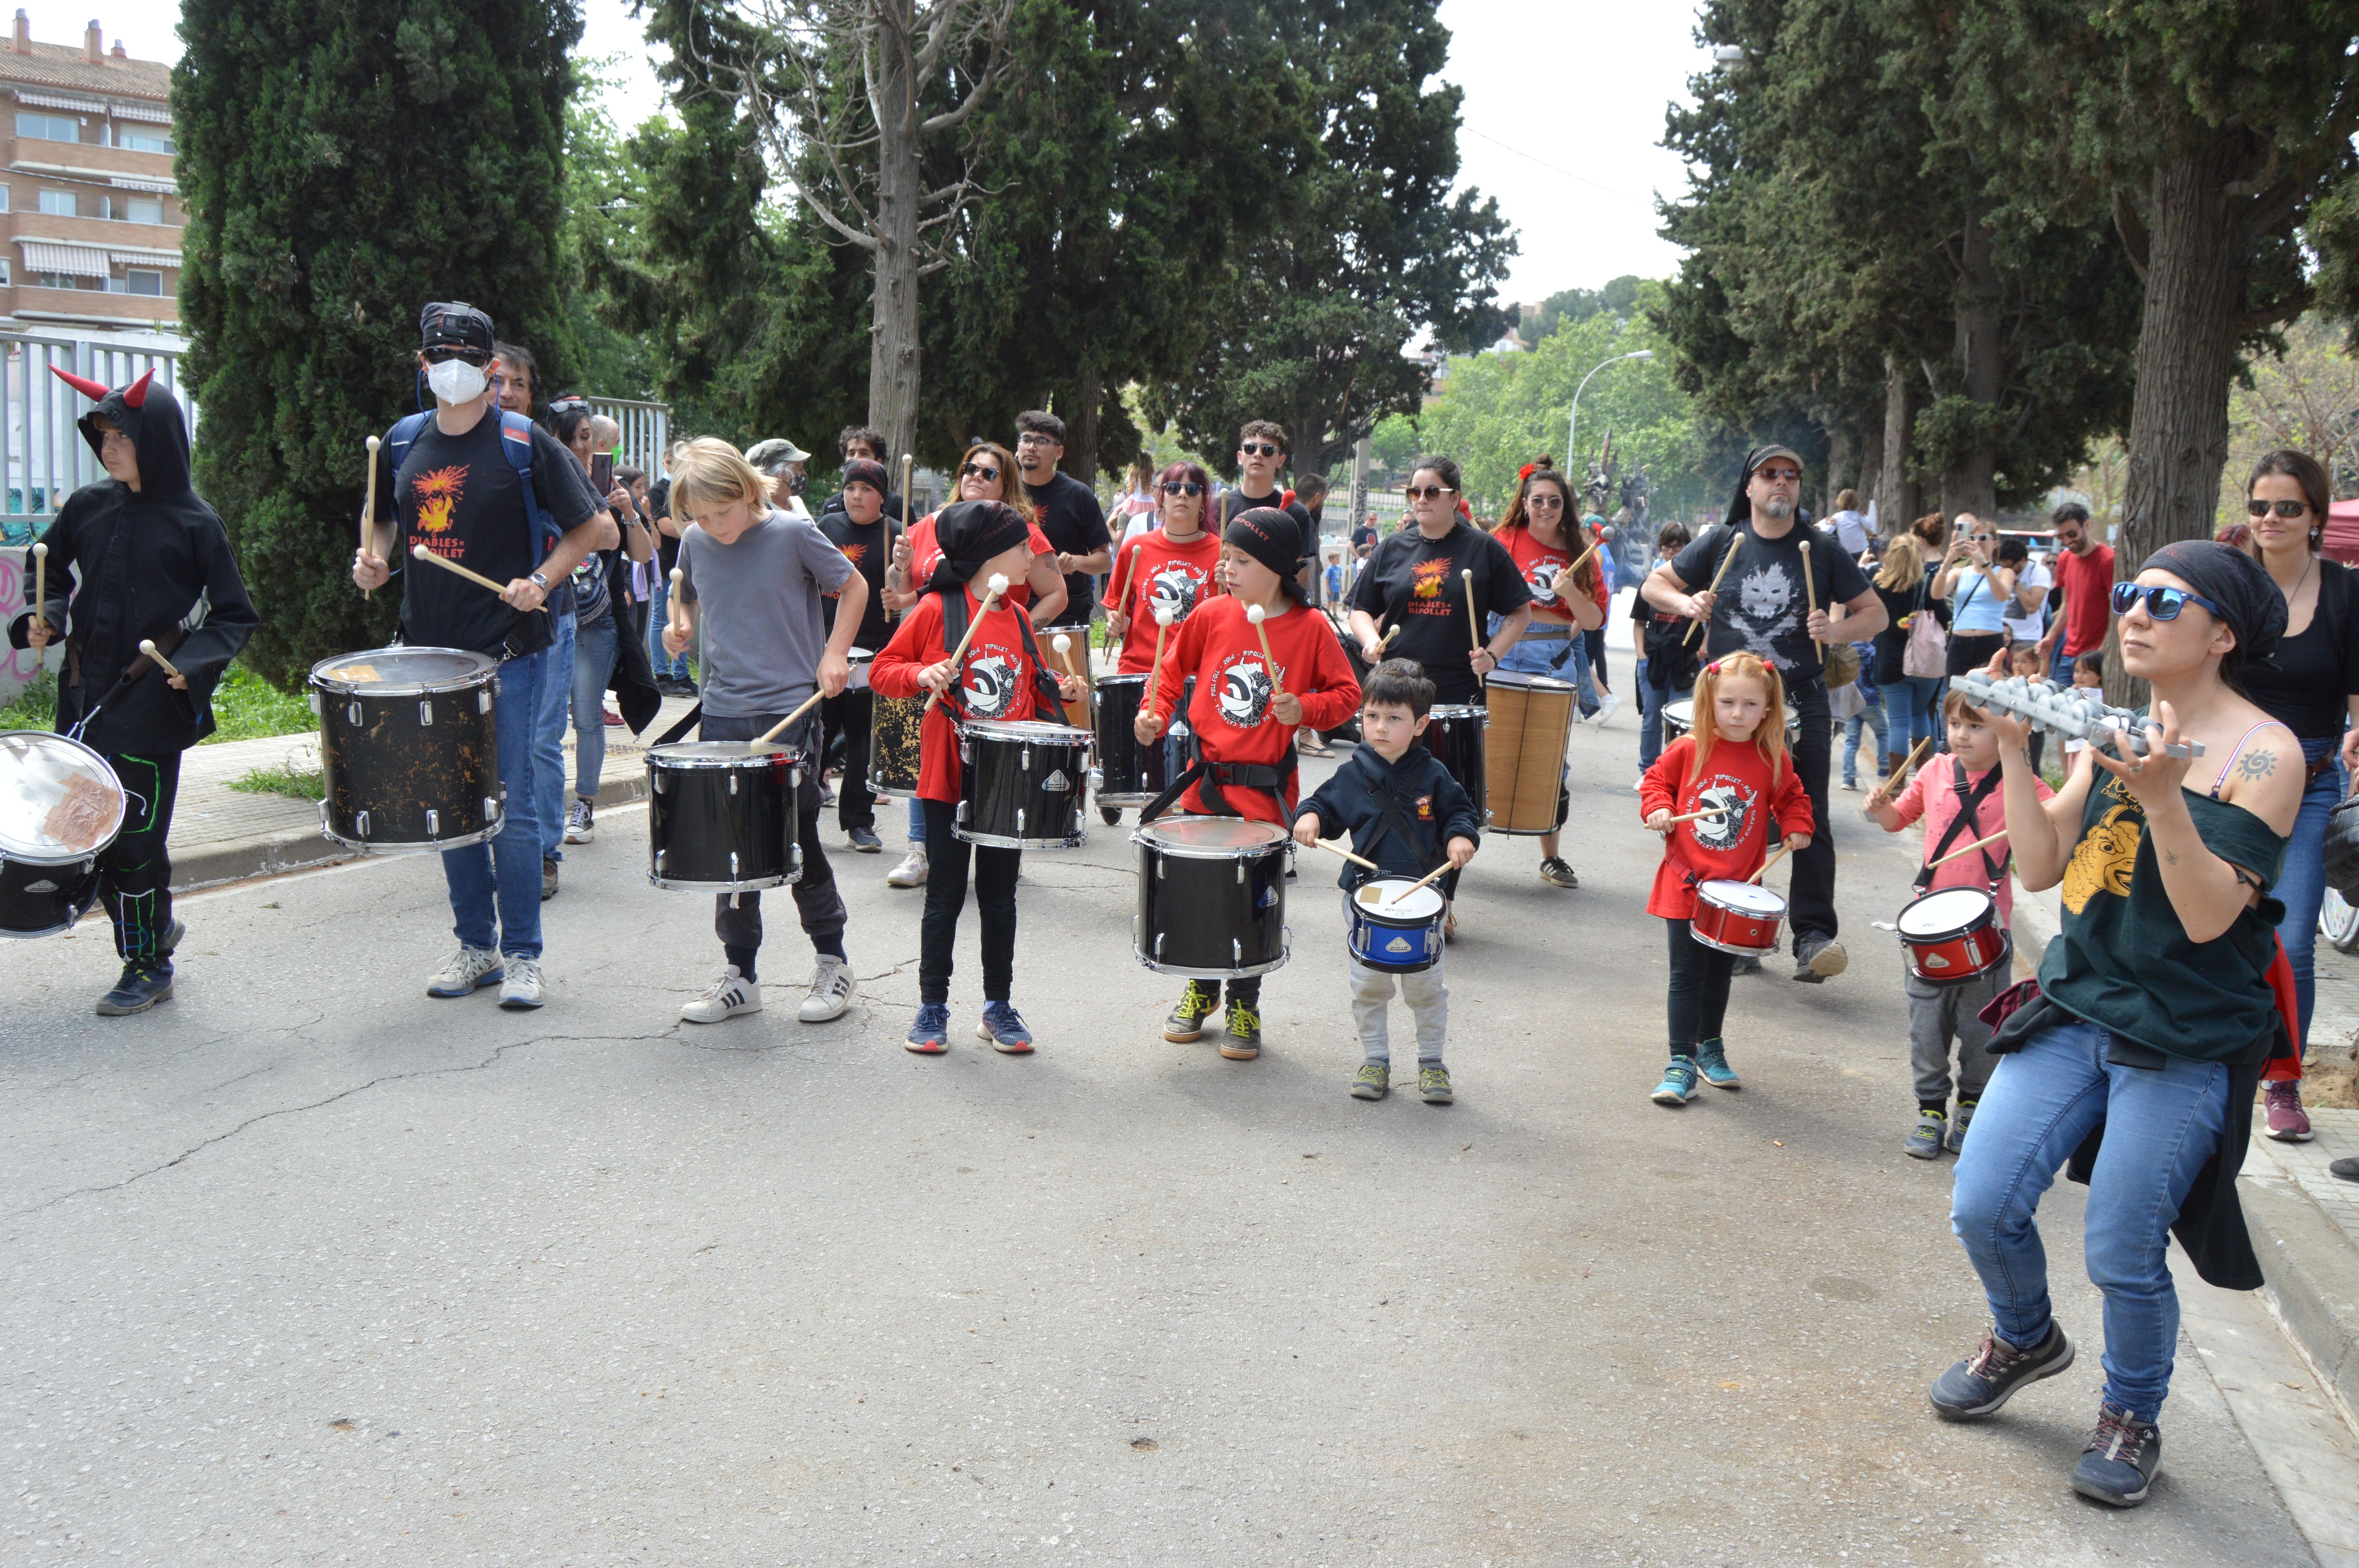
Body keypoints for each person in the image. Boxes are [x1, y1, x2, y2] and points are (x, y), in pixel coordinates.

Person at [1932, 540, 2302, 1510]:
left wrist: (2163, 799)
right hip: (2082, 998)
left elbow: (2209, 916)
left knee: (2121, 1244)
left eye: (2160, 600)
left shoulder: (2268, 754)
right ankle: (2023, 1334)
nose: (2131, 611)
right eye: (2129, 593)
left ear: (2220, 633)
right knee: (1981, 1198)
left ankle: (2130, 1416)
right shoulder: (2120, 727)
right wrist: (2014, 752)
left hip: (2185, 1030)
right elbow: (2046, 864)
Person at [353, 301, 611, 1008]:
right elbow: (383, 521)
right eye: (441, 357)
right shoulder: (403, 443)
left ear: (492, 368)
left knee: (514, 807)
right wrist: (374, 563)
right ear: (423, 365)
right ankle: (477, 947)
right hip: (430, 658)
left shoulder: (524, 441)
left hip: (510, 654)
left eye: (469, 357)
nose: (455, 369)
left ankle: (525, 953)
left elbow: (591, 527)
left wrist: (541, 580)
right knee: (451, 806)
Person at [9, 365, 258, 1015]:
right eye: (102, 435)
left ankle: (149, 964)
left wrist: (194, 665)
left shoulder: (197, 523)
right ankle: (153, 926)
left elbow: (234, 613)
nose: (108, 447)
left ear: (158, 439)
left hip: (149, 706)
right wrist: (44, 617)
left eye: (121, 435)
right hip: (82, 697)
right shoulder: (89, 506)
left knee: (137, 843)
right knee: (89, 839)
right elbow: (48, 566)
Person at [1643, 444, 1885, 982]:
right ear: (1750, 487)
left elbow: (1877, 614)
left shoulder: (1819, 549)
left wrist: (1836, 630)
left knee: (1807, 817)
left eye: (1792, 476)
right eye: (1770, 475)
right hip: (1731, 706)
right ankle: (1733, 923)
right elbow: (1653, 585)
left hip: (1802, 698)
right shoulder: (1721, 542)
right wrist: (1688, 604)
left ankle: (1814, 937)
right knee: (1736, 813)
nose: (1782, 483)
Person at [1136, 507, 1361, 1060]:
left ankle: (1244, 999)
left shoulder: (1309, 630)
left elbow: (1348, 697)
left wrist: (1303, 708)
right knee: (1196, 892)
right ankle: (1200, 985)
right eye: (1227, 559)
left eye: (1242, 560)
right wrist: (1154, 713)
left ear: (1279, 569)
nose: (1227, 569)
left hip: (1264, 793)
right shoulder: (1212, 614)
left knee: (1249, 902)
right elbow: (1169, 673)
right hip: (1204, 785)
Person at [658, 439, 864, 1025]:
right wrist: (681, 630)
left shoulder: (792, 535)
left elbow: (854, 588)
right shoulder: (697, 542)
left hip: (789, 710)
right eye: (700, 517)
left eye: (722, 513)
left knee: (793, 834)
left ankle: (833, 960)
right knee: (732, 846)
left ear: (748, 491)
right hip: (722, 710)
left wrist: (835, 654)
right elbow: (693, 602)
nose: (713, 526)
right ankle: (741, 974)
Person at [870, 499, 1083, 1054]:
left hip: (1002, 781)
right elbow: (883, 672)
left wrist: (1059, 690)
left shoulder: (1014, 615)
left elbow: (1030, 683)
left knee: (1000, 895)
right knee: (943, 895)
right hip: (948, 776)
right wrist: (924, 672)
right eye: (1021, 548)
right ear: (990, 553)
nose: (1030, 557)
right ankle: (932, 1006)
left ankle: (997, 1006)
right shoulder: (941, 609)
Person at [1347, 456, 1533, 936]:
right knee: (1383, 796)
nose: (1422, 501)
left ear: (1454, 496)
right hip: (1393, 693)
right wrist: (1368, 639)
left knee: (1442, 805)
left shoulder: (1482, 549)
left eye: (1432, 492)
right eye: (1415, 492)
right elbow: (1360, 609)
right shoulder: (1392, 548)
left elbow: (1519, 613)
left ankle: (1439, 898)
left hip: (1453, 695)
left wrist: (1491, 656)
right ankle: (1382, 892)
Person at [1864, 689, 2052, 1158]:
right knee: (1925, 1025)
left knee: (1979, 1027)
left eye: (1976, 726)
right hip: (1927, 924)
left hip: (1988, 927)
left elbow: (2056, 817)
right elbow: (1897, 818)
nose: (1961, 736)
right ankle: (1930, 1111)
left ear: (2004, 732)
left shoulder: (2019, 780)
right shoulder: (1934, 769)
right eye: (1954, 724)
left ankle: (1970, 1107)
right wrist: (1878, 809)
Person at [2235, 449, 2359, 1143]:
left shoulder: (2344, 591)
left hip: (2313, 783)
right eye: (2260, 506)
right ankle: (2213, 1059)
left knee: (2293, 943)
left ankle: (2283, 1080)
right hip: (2232, 779)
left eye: (2288, 507)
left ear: (2315, 515)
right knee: (2215, 923)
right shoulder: (2230, 584)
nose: (2272, 519)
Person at [881, 441, 1067, 889]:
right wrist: (897, 568)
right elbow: (906, 595)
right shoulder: (931, 528)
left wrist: (1044, 667)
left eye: (988, 473)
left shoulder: (1021, 540)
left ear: (1006, 483)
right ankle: (919, 848)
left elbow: (1053, 594)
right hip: (947, 700)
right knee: (939, 762)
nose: (975, 478)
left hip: (1003, 725)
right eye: (969, 469)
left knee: (998, 894)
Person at [1293, 658, 1479, 1103]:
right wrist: (1310, 818)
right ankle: (1375, 1059)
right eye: (1371, 716)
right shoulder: (1353, 773)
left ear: (1420, 725)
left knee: (1425, 987)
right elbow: (1322, 804)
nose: (1378, 727)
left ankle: (1432, 1064)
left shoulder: (1434, 774)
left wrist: (1459, 838)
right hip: (1367, 894)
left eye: (1393, 719)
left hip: (1423, 897)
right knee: (1369, 983)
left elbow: (1461, 813)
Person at [1639, 652, 1814, 1104]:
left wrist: (1797, 825)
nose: (1738, 714)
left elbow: (1793, 797)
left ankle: (1709, 1047)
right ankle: (1680, 1060)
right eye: (1728, 703)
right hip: (1684, 883)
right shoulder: (1688, 750)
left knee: (1719, 974)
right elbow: (1656, 783)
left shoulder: (1770, 758)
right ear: (1709, 702)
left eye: (1750, 705)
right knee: (1685, 974)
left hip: (1736, 891)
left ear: (1768, 710)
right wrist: (1658, 808)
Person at [1490, 466, 1607, 887]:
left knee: (1549, 759)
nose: (1544, 508)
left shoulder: (1581, 553)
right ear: (1524, 503)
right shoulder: (1501, 541)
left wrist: (1570, 592)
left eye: (1554, 501)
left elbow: (1593, 621)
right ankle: (1453, 845)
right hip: (1498, 646)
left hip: (1549, 657)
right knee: (1480, 750)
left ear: (1565, 507)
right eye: (1537, 500)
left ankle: (1551, 857)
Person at [551, 406, 654, 847]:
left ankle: (585, 804)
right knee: (548, 721)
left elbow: (645, 555)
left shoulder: (611, 490)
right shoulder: (543, 480)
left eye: (586, 437)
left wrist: (628, 511)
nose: (579, 446)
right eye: (570, 438)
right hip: (549, 619)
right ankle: (543, 804)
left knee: (587, 715)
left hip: (597, 624)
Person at [1104, 461, 1226, 824]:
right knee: (1151, 770)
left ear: (1205, 500)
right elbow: (1116, 603)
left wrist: (1231, 584)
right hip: (1142, 667)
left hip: (1199, 675)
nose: (1182, 496)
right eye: (1173, 488)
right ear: (1160, 497)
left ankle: (1178, 837)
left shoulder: (1221, 552)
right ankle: (1149, 827)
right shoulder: (1136, 548)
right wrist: (1115, 620)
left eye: (1192, 489)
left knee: (1187, 769)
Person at [815, 456, 900, 854]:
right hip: (828, 647)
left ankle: (858, 822)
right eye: (851, 488)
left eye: (866, 489)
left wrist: (897, 594)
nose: (856, 496)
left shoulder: (895, 535)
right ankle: (802, 813)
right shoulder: (828, 527)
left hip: (874, 650)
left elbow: (909, 595)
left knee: (865, 743)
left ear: (881, 496)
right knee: (818, 735)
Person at [1012, 411, 1112, 627]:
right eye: (1026, 440)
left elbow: (1105, 560)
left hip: (1067, 611)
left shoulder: (1079, 495)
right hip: (1010, 607)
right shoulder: (1005, 491)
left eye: (1041, 441)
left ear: (1059, 452)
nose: (1031, 447)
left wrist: (1076, 562)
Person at [1869, 533, 1940, 783]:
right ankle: (1926, 779)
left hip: (1891, 663)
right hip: (1925, 664)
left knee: (1898, 722)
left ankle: (1897, 783)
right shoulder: (1926, 586)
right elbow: (1944, 615)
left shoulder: (1878, 587)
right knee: (1921, 715)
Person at [1218, 421, 1316, 592]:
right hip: (1223, 608)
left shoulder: (1297, 513)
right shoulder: (1218, 507)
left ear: (1281, 460)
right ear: (1240, 457)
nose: (1258, 455)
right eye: (1250, 448)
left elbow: (1301, 581)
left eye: (1268, 450)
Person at [1632, 521, 1694, 786]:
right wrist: (1642, 656)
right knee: (1651, 721)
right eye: (1668, 546)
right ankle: (1648, 773)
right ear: (1661, 549)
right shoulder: (1652, 582)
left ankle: (1676, 776)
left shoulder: (1699, 584)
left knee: (1682, 722)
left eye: (1679, 545)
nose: (1673, 551)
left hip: (1686, 660)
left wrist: (1702, 653)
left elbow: (1712, 623)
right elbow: (1639, 622)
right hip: (1654, 658)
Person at [2034, 502, 2113, 688]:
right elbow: (2067, 606)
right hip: (2069, 652)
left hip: (2095, 656)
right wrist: (2051, 636)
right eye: (2061, 536)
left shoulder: (2108, 560)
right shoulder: (2064, 559)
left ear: (2087, 525)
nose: (2068, 541)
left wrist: (2103, 651)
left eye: (2072, 534)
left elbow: (2116, 611)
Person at [1932, 514, 2012, 677]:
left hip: (1990, 641)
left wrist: (1985, 563)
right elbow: (1937, 594)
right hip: (1960, 642)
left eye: (1983, 538)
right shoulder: (1958, 573)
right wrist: (1948, 560)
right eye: (1972, 538)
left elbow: (2002, 595)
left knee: (1989, 694)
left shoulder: (2004, 572)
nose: (1977, 543)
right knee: (1956, 696)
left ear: (1995, 543)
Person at [647, 441, 695, 695]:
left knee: (684, 620)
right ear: (667, 462)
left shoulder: (688, 488)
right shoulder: (658, 491)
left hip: (688, 564)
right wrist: (702, 524)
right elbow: (667, 526)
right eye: (673, 462)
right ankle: (662, 674)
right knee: (661, 620)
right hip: (667, 564)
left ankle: (681, 674)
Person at [818, 426, 904, 521]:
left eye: (864, 453)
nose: (856, 458)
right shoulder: (831, 508)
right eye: (851, 453)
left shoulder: (900, 508)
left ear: (878, 462)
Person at [745, 437, 813, 518]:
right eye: (799, 469)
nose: (803, 474)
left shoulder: (797, 503)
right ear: (778, 474)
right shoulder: (759, 512)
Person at [1826, 487, 1873, 557]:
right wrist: (1864, 517)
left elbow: (1828, 531)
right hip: (1862, 549)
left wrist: (1827, 523)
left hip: (1846, 552)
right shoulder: (1859, 516)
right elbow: (1869, 526)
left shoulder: (1837, 517)